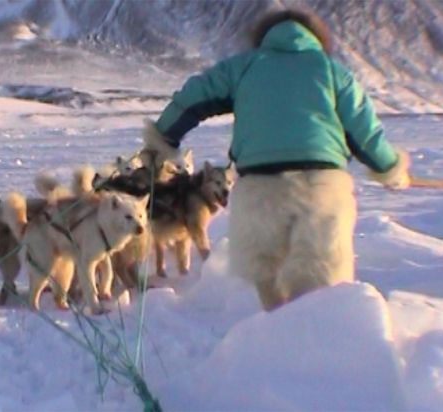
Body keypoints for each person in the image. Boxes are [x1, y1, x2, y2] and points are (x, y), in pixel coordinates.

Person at [141, 8, 411, 310]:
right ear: (318, 38)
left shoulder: (243, 67)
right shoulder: (331, 71)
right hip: (321, 190)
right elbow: (366, 134)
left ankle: (275, 336)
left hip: (260, 188)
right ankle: (315, 343)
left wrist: (163, 138)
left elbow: (193, 96)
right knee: (318, 284)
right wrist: (390, 169)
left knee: (268, 284)